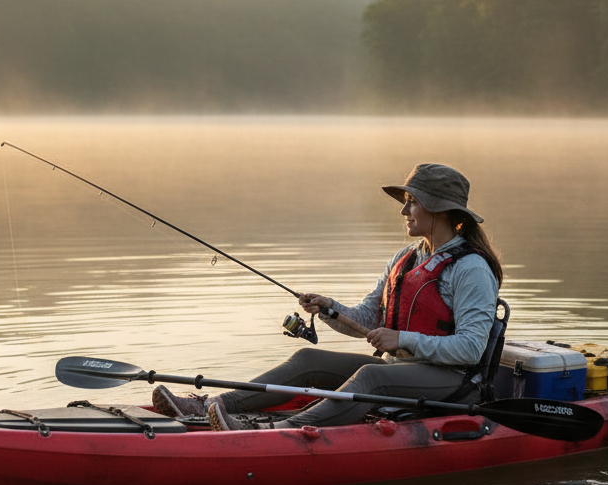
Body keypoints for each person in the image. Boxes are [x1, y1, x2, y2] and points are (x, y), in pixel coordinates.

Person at [151, 163, 503, 431]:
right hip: (401, 369)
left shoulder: (470, 269)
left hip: (452, 382)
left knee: (370, 375)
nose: (403, 211)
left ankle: (276, 433)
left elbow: (471, 348)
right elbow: (367, 319)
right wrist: (331, 309)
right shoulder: (406, 258)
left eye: (412, 203)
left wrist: (402, 339)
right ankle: (208, 404)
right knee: (308, 358)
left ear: (439, 210)